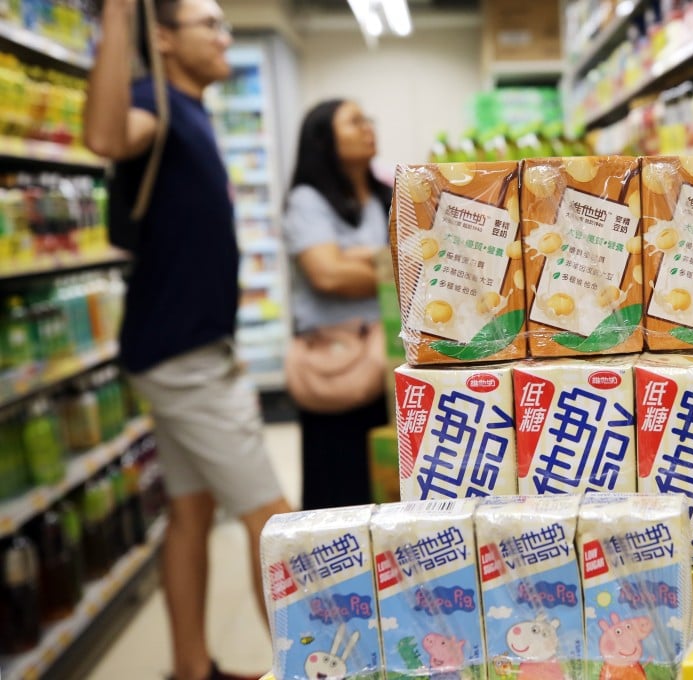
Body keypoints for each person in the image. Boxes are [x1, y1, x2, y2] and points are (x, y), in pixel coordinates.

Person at [83, 2, 291, 679]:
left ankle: (190, 668)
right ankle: (308, 668)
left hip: (189, 347)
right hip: (184, 357)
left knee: (190, 511)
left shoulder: (191, 111)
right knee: (275, 523)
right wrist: (119, 17)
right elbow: (106, 137)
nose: (225, 36)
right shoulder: (153, 102)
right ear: (164, 37)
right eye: (211, 24)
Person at [282, 99, 391, 510]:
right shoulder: (307, 200)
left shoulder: (383, 195)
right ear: (323, 139)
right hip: (337, 364)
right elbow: (327, 275)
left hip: (385, 361)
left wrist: (359, 259)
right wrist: (386, 265)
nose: (367, 128)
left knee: (382, 485)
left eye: (368, 119)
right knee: (339, 491)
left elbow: (417, 259)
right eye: (354, 122)